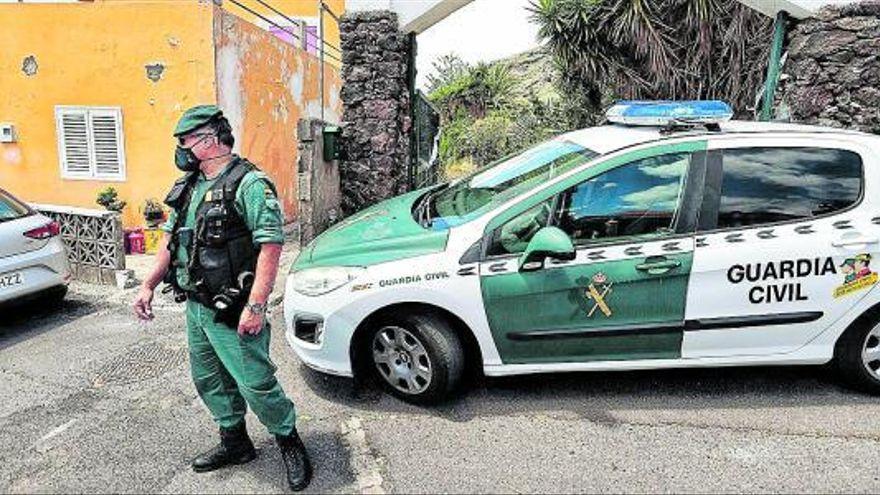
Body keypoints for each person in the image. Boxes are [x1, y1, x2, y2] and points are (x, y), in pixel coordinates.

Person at [132, 105, 312, 492]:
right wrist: (148, 283)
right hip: (197, 306)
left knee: (255, 381)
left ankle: (288, 440)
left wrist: (258, 305)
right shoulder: (190, 186)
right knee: (209, 378)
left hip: (233, 307)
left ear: (209, 140)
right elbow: (170, 239)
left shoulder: (249, 183)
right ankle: (236, 443)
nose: (180, 149)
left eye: (184, 141)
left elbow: (270, 245)